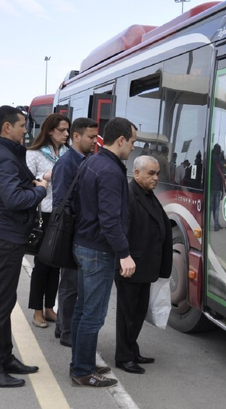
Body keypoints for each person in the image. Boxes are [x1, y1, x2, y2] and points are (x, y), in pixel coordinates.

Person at [0, 106, 48, 388]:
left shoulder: (1, 153)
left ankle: (4, 358)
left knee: (3, 301)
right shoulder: (2, 157)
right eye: (21, 126)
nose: (24, 131)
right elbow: (15, 199)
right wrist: (41, 188)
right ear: (7, 127)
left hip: (1, 233)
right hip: (3, 236)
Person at [70, 117, 136, 388]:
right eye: (132, 142)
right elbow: (110, 219)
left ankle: (80, 361)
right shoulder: (110, 170)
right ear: (120, 140)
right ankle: (83, 371)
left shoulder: (92, 162)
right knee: (93, 315)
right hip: (99, 250)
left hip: (84, 244)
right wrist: (124, 253)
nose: (133, 147)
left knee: (82, 310)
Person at [114, 155, 172, 374]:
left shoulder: (147, 194)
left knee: (137, 314)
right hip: (132, 267)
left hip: (145, 267)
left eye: (157, 173)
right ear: (136, 173)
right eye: (151, 173)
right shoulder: (129, 196)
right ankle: (124, 357)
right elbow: (122, 231)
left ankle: (132, 349)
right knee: (127, 315)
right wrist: (123, 258)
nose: (156, 178)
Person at [51, 117, 99, 348]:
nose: (94, 141)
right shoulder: (66, 163)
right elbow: (61, 200)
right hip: (71, 232)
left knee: (75, 284)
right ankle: (67, 330)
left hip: (82, 231)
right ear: (76, 137)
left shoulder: (89, 160)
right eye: (90, 137)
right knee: (70, 284)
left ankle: (63, 326)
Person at [26, 113, 70, 328]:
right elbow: (27, 181)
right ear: (50, 130)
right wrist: (44, 178)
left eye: (67, 130)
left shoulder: (67, 153)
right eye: (62, 130)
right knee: (42, 264)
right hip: (42, 212)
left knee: (56, 263)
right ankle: (37, 310)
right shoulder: (34, 153)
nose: (66, 134)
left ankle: (50, 308)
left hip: (61, 213)